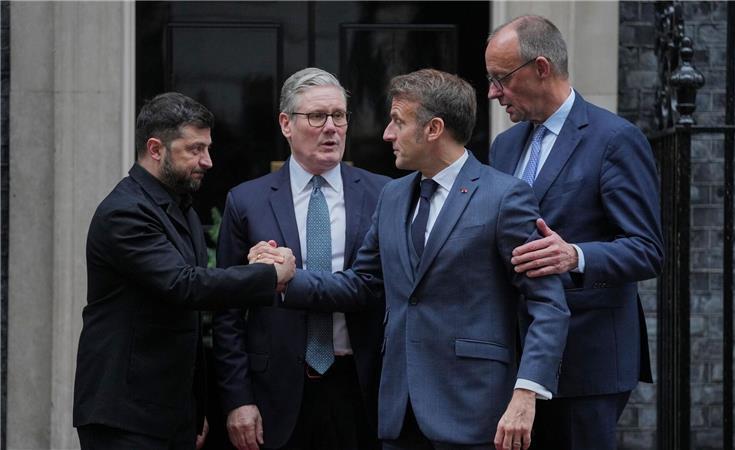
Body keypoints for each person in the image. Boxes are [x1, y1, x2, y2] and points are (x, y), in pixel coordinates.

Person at [268, 68, 569, 450]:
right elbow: (362, 283)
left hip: (476, 413)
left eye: (397, 121)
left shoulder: (504, 197)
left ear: (433, 129)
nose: (386, 134)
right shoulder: (392, 197)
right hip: (398, 412)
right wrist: (285, 277)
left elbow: (547, 304)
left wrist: (527, 393)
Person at [73, 92, 296, 450]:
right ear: (156, 149)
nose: (207, 161)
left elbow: (188, 301)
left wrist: (194, 409)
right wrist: (269, 275)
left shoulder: (181, 208)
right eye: (194, 149)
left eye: (207, 148)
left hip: (168, 413)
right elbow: (183, 285)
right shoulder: (125, 212)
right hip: (124, 417)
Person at [485, 16, 664, 450]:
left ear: (541, 67)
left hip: (587, 360)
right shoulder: (504, 145)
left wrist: (576, 257)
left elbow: (647, 250)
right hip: (516, 358)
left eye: (500, 78)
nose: (492, 92)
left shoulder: (615, 139)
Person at [212, 68, 390, 450]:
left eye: (339, 116)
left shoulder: (384, 195)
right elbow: (227, 313)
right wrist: (238, 399)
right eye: (317, 116)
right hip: (274, 391)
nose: (332, 128)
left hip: (361, 388)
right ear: (285, 124)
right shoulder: (246, 201)